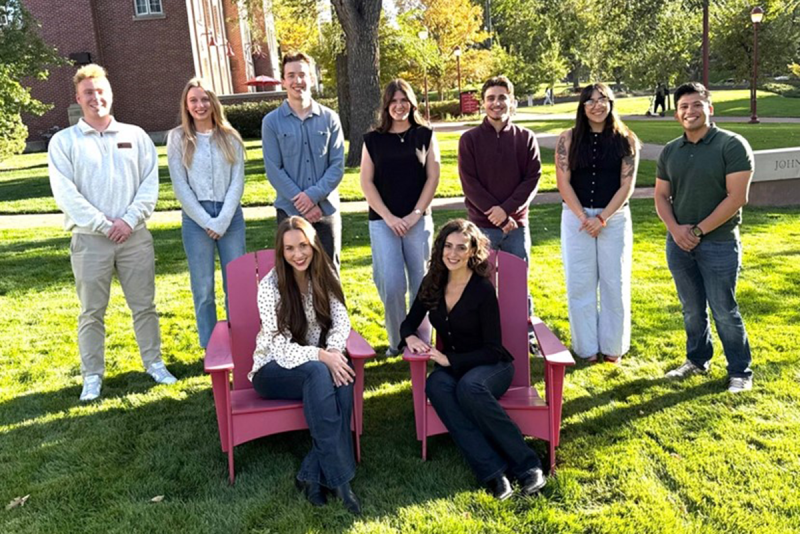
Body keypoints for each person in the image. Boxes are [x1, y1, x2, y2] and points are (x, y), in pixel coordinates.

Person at [47, 64, 176, 401]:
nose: (96, 98)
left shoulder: (136, 136)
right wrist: (104, 225)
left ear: (111, 93)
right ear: (78, 98)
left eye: (101, 91)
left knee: (144, 306)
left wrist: (128, 221)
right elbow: (66, 194)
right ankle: (92, 375)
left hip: (134, 237)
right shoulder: (64, 142)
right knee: (91, 312)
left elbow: (149, 186)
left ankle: (154, 363)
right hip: (90, 240)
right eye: (88, 93)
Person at [400, 219, 546, 500]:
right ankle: (493, 472)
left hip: (492, 366)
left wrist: (449, 360)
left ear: (472, 251)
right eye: (448, 246)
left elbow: (492, 349)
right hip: (454, 367)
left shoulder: (481, 289)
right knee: (436, 385)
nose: (453, 253)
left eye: (461, 247)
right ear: (440, 248)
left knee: (469, 388)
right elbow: (409, 322)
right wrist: (410, 337)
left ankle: (528, 466)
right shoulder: (433, 283)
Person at [249, 216, 361, 514]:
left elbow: (341, 320)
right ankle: (342, 483)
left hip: (313, 364)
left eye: (303, 246)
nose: (298, 254)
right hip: (271, 369)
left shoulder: (325, 274)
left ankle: (311, 475)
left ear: (313, 245)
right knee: (319, 370)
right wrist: (322, 356)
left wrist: (333, 350)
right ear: (281, 251)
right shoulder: (270, 287)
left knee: (343, 377)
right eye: (289, 248)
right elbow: (279, 346)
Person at [655, 82, 755, 394]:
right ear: (677, 114)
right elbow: (661, 196)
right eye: (684, 106)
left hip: (719, 243)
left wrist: (697, 231)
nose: (690, 111)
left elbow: (737, 197)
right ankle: (697, 360)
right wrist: (676, 230)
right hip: (678, 243)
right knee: (691, 309)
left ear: (710, 109)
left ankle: (740, 371)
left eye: (697, 104)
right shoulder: (670, 150)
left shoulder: (732, 145)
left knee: (724, 310)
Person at [555, 83, 641, 364]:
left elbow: (627, 185)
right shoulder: (567, 139)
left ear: (611, 103)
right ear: (582, 107)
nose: (597, 105)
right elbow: (563, 182)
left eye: (602, 99)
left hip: (613, 218)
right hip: (576, 218)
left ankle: (613, 347)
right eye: (590, 101)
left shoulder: (627, 139)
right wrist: (584, 218)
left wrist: (602, 218)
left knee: (615, 283)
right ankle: (586, 348)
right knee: (579, 282)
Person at [458, 76, 541, 352]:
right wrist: (495, 214)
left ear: (512, 101)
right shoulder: (469, 140)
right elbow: (469, 183)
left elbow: (532, 179)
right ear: (483, 103)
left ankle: (524, 335)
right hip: (481, 227)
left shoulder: (525, 138)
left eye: (502, 97)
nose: (497, 103)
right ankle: (481, 337)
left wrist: (506, 212)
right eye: (491, 98)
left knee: (519, 282)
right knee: (480, 283)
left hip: (516, 226)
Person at [360, 79, 440, 356]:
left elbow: (433, 177)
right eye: (393, 101)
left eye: (403, 100)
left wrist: (416, 213)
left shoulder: (425, 135)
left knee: (422, 284)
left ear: (412, 103)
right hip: (383, 223)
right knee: (392, 284)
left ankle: (422, 340)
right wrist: (390, 217)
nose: (399, 106)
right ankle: (398, 342)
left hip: (418, 221)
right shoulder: (373, 140)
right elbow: (366, 183)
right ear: (386, 105)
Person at [167, 78, 246, 349]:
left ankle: (239, 343)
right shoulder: (177, 138)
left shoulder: (230, 136)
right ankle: (211, 346)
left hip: (230, 217)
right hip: (195, 220)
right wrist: (206, 220)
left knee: (236, 286)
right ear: (186, 105)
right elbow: (180, 185)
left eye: (204, 99)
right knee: (203, 288)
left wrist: (222, 220)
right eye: (193, 100)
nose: (200, 105)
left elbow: (237, 181)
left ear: (213, 103)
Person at [262, 52, 345, 268]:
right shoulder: (271, 122)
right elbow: (274, 169)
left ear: (312, 78)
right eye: (291, 75)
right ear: (283, 81)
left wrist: (313, 197)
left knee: (330, 272)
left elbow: (337, 166)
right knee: (292, 274)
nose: (297, 81)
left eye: (302, 75)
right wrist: (304, 204)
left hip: (325, 211)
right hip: (289, 213)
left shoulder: (330, 118)